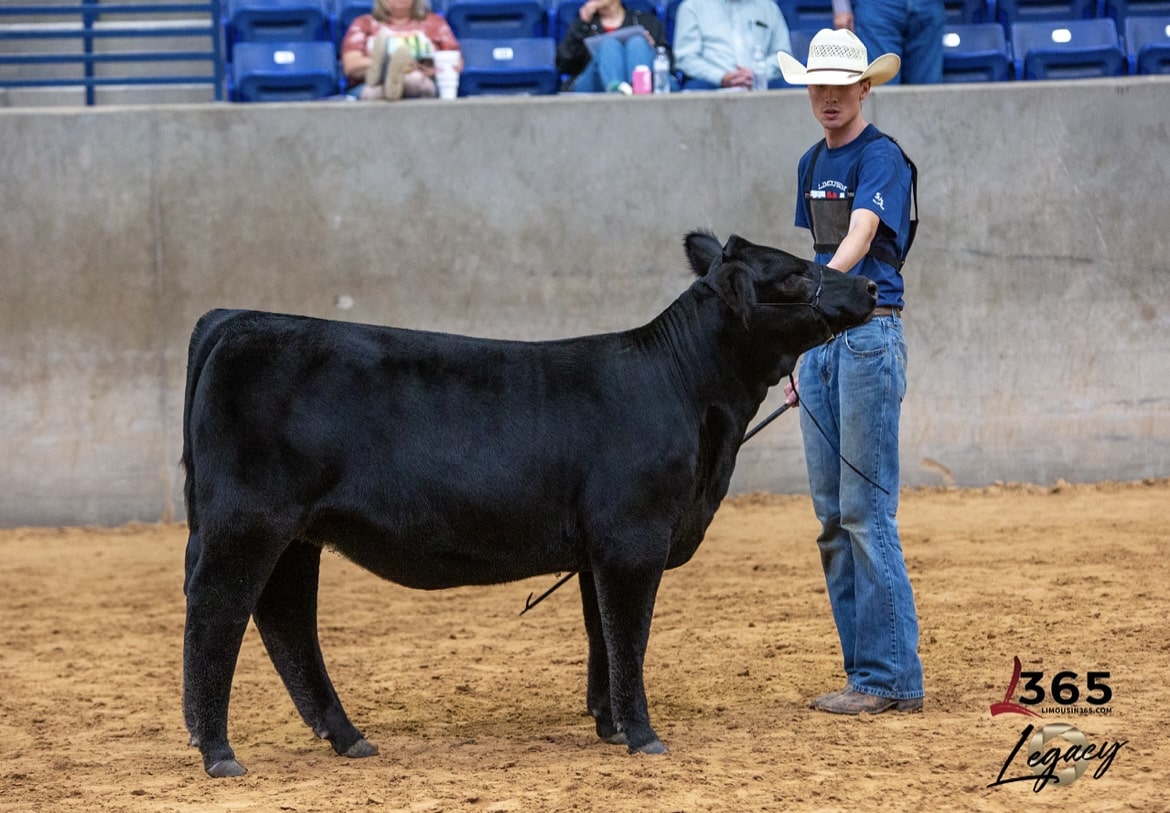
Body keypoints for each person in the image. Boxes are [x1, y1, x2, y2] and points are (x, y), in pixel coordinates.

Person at [777, 28, 924, 715]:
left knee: (865, 511)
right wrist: (801, 344)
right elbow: (822, 248)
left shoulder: (881, 156)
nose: (830, 97)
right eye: (819, 86)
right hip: (829, 341)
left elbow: (862, 237)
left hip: (867, 334)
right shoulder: (811, 162)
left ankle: (891, 676)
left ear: (866, 88)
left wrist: (804, 307)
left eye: (842, 86)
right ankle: (868, 673)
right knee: (835, 516)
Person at [341, 0, 461, 101]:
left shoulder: (435, 23)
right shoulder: (364, 23)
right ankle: (384, 69)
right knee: (373, 91)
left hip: (421, 79)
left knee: (415, 80)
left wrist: (435, 70)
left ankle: (392, 76)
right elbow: (351, 65)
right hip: (369, 84)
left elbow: (456, 61)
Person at [671, 0, 792, 90]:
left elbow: (783, 56)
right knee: (693, 88)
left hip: (762, 84)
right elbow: (685, 58)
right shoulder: (692, 7)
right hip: (712, 87)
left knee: (793, 88)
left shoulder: (769, 8)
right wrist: (721, 77)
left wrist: (758, 73)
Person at [556, 0, 673, 93]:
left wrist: (653, 48)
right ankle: (617, 98)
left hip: (648, 84)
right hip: (594, 84)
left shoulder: (646, 21)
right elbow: (564, 65)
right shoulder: (583, 24)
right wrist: (582, 24)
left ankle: (636, 95)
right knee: (608, 45)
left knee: (637, 43)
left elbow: (669, 62)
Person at [829, 0, 945, 84]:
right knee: (881, 90)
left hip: (930, 6)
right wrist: (841, 7)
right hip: (878, 7)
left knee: (928, 94)